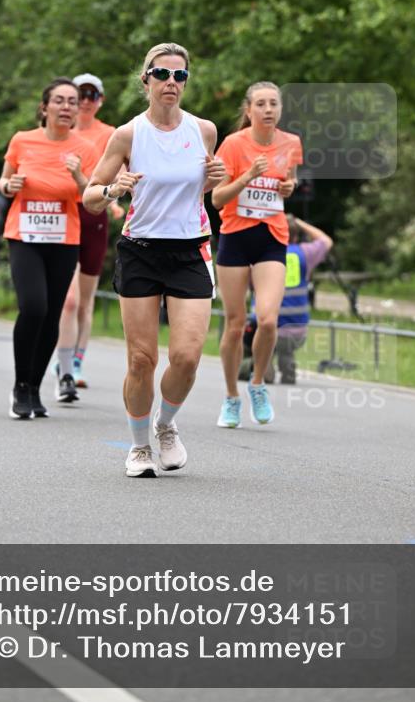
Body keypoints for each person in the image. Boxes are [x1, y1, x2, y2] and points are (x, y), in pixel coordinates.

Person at [84, 44, 225, 478]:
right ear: (145, 80)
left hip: (189, 251)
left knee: (186, 356)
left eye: (180, 76)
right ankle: (139, 445)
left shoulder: (203, 131)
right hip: (141, 249)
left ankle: (166, 425)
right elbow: (90, 195)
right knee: (141, 359)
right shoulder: (128, 135)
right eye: (162, 74)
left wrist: (213, 182)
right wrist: (113, 190)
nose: (171, 83)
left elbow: (198, 193)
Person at [0, 78, 95, 419]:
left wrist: (80, 175)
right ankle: (20, 385)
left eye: (72, 101)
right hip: (24, 235)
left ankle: (35, 388)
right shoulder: (23, 140)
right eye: (59, 100)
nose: (67, 106)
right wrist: (8, 185)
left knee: (53, 314)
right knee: (34, 306)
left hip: (63, 238)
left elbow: (92, 197)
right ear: (45, 107)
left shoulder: (84, 147)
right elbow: (4, 179)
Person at [212, 81, 302, 429]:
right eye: (261, 104)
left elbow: (288, 183)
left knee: (267, 318)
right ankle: (231, 396)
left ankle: (258, 383)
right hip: (235, 236)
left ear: (280, 109)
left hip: (271, 237)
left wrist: (288, 187)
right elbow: (217, 199)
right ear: (248, 110)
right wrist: (248, 175)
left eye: (273, 104)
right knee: (235, 325)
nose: (268, 109)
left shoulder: (291, 143)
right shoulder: (234, 145)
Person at [52, 72, 123, 390]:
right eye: (80, 94)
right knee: (67, 299)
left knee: (84, 300)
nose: (85, 101)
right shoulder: (59, 131)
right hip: (63, 213)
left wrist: (116, 199)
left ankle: (77, 359)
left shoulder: (110, 134)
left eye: (92, 95)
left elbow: (119, 173)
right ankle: (63, 363)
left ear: (101, 101)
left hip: (93, 215)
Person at [246, 215, 333, 384]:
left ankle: (264, 368)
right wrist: (300, 223)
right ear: (295, 235)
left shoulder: (261, 252)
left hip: (263, 327)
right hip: (295, 330)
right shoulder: (304, 254)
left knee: (263, 345)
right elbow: (326, 241)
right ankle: (287, 367)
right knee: (286, 351)